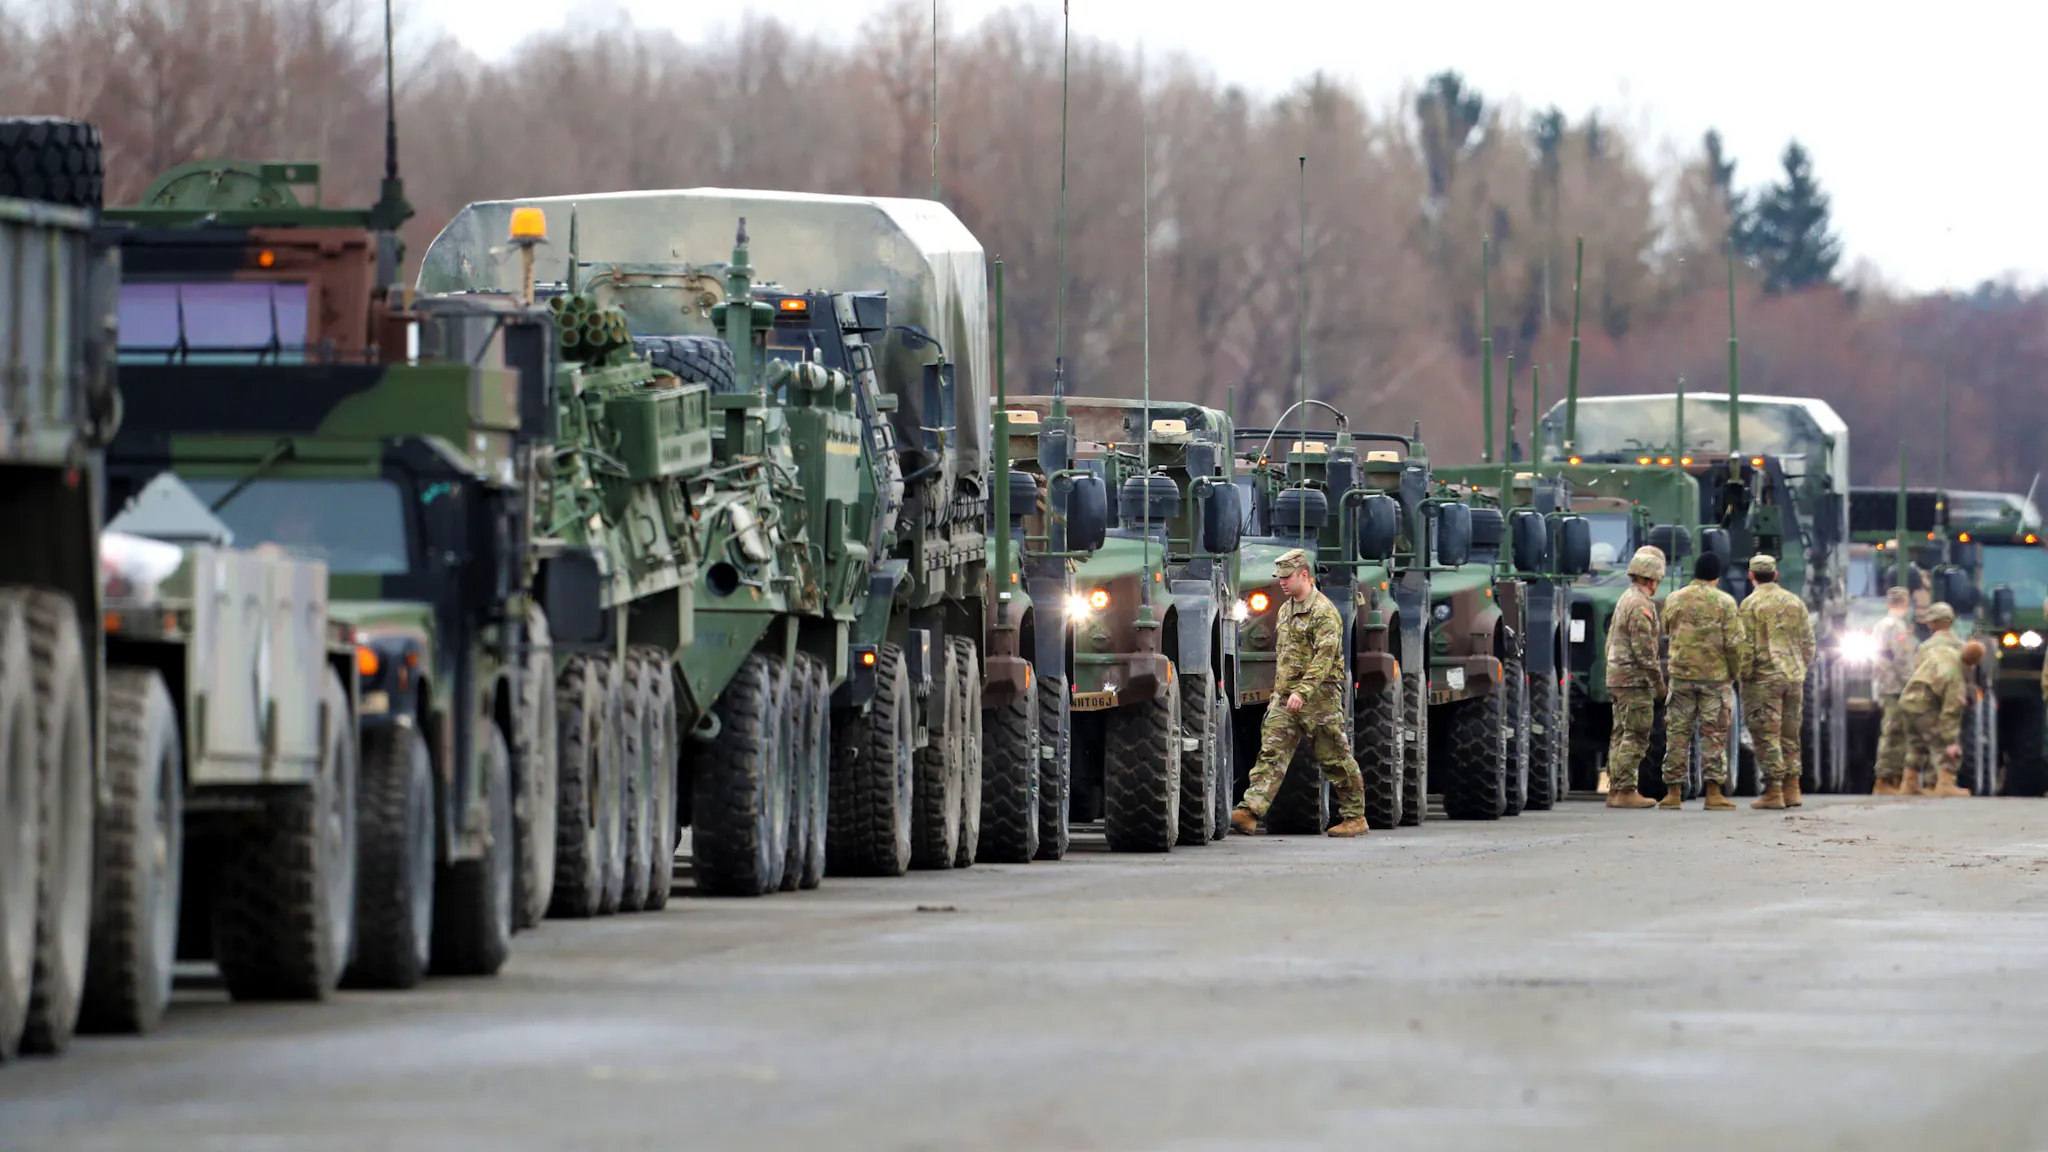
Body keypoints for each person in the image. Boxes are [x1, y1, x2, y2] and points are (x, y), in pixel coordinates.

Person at [1231, 548, 1369, 838]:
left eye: (1287, 577)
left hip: (1320, 697)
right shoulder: (1286, 608)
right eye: (1279, 577)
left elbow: (1325, 658)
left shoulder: (1324, 612)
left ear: (1304, 575)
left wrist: (1303, 692)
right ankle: (1250, 811)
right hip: (1287, 697)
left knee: (1334, 757)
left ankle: (1355, 816)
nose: (1281, 582)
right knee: (1271, 752)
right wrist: (1278, 695)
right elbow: (1284, 656)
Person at [1658, 552, 1744, 810]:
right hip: (1714, 679)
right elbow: (1735, 644)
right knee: (1714, 735)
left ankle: (1673, 792)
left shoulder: (1675, 598)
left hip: (1681, 677)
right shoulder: (1725, 602)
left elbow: (1665, 629)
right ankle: (1713, 793)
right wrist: (1733, 673)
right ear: (1717, 576)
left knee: (1677, 735)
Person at [1739, 553, 1815, 810]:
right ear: (1776, 574)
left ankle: (1774, 790)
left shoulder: (1750, 605)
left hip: (1763, 679)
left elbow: (1746, 646)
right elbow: (1809, 643)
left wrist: (1744, 675)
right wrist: (1799, 668)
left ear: (1751, 576)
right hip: (1793, 678)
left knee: (1765, 734)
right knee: (1790, 734)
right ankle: (1792, 788)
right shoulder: (1795, 602)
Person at [1602, 545, 1667, 809]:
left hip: (1618, 677)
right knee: (1637, 734)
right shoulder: (1641, 606)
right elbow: (1645, 653)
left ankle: (1617, 788)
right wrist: (1659, 685)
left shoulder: (1625, 598)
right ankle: (1626, 790)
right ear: (1651, 579)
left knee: (1620, 734)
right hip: (1634, 680)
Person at [1895, 622, 1987, 800]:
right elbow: (1950, 714)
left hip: (1907, 699)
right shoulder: (1957, 677)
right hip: (1923, 704)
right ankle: (1946, 784)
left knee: (1917, 742)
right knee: (1941, 742)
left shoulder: (1947, 654)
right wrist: (1951, 741)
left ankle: (1909, 783)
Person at [1870, 587, 1920, 795]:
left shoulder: (1880, 625)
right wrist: (1911, 682)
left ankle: (1891, 778)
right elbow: (1901, 659)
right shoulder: (1896, 627)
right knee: (1894, 732)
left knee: (1893, 731)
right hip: (1896, 687)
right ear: (1905, 604)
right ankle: (1885, 779)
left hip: (1885, 685)